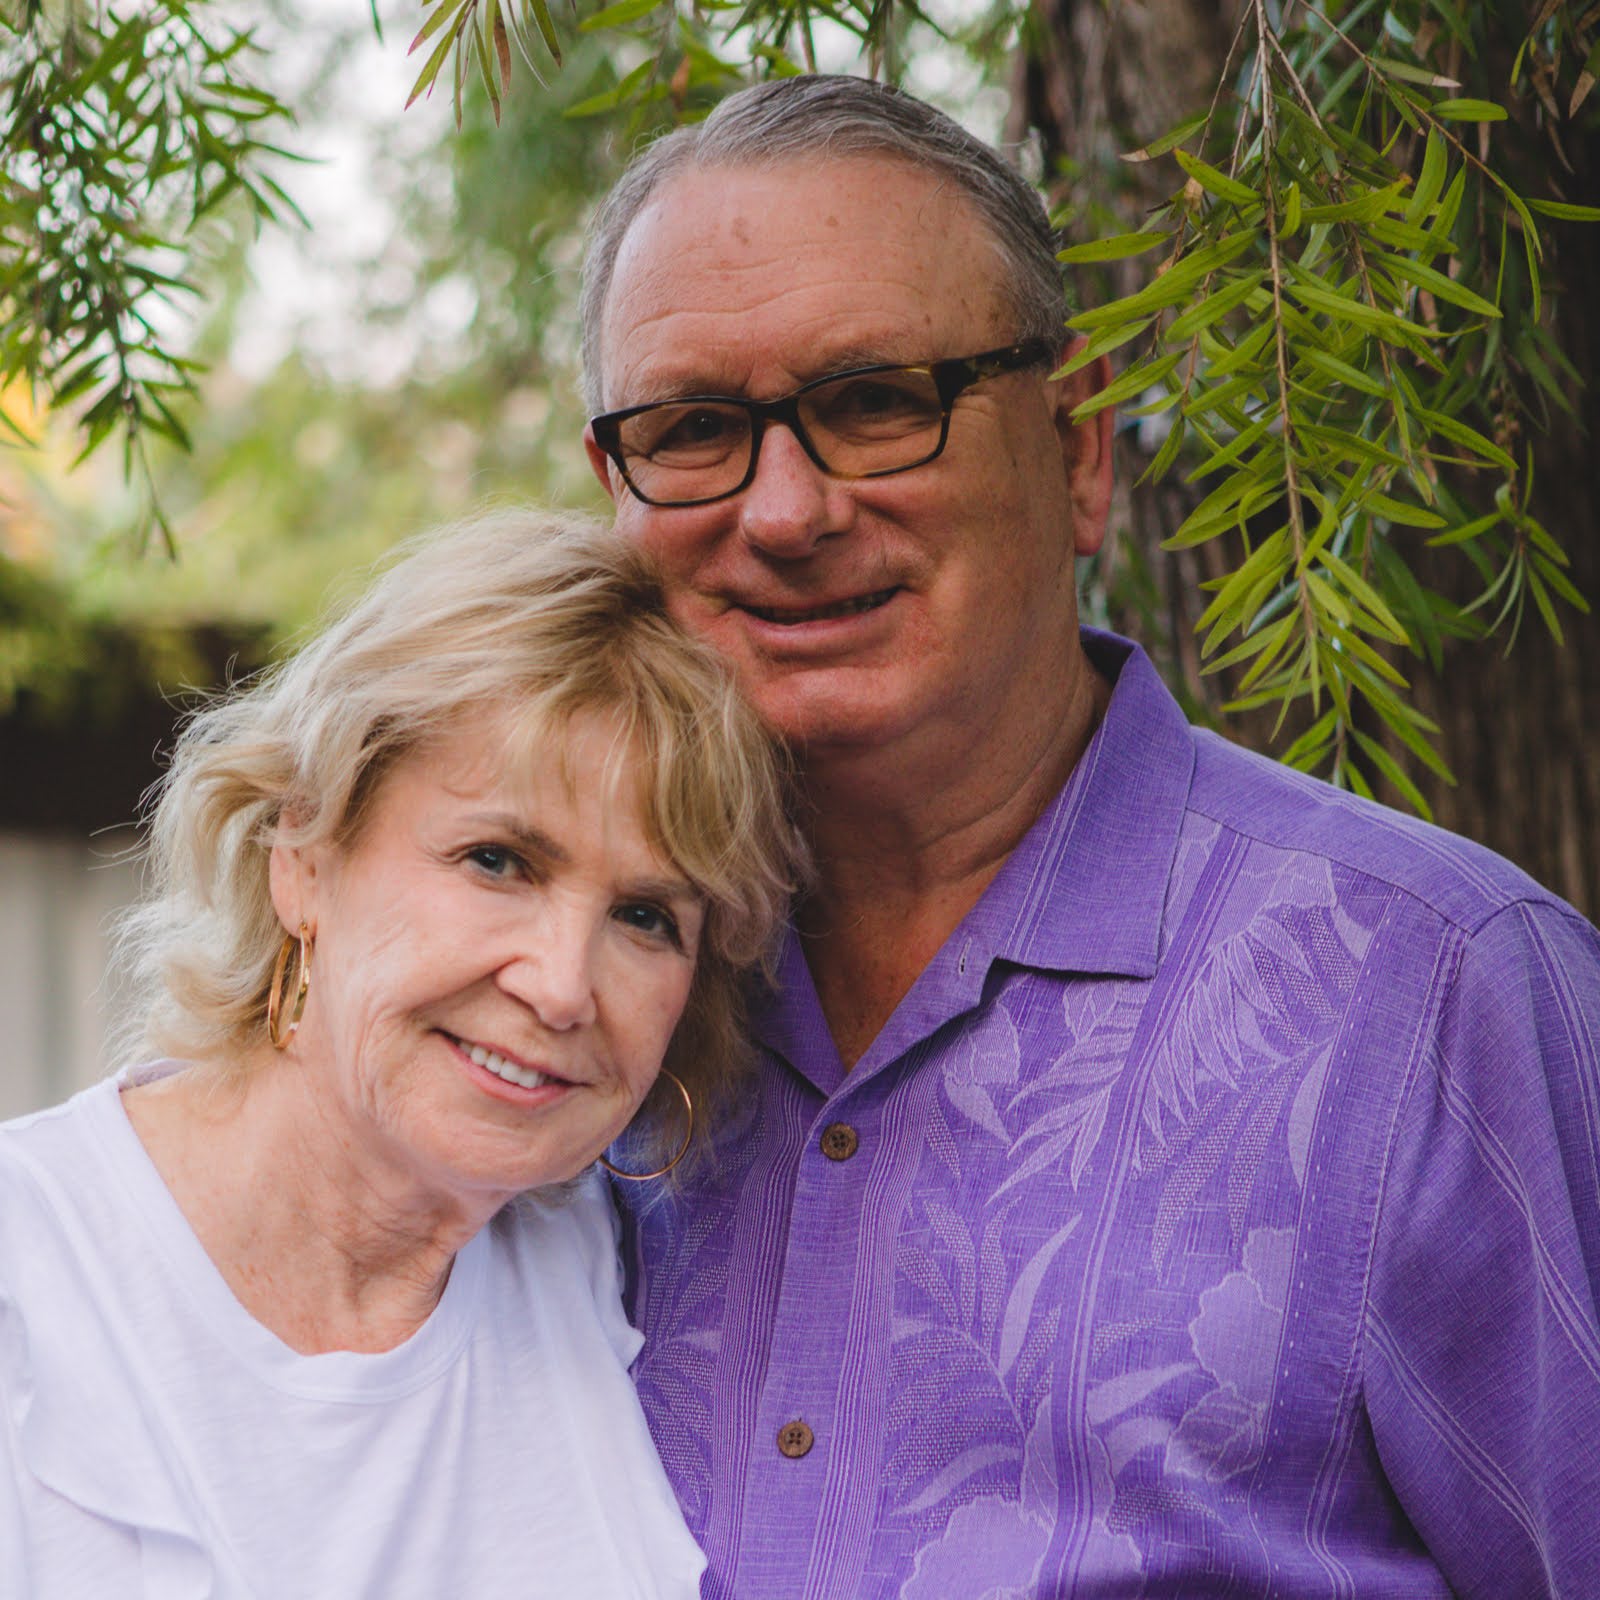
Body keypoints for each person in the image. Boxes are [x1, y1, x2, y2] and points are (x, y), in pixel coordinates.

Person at [578, 73, 1600, 1599]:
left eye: (873, 402)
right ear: (615, 492)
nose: (783, 511)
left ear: (1081, 455)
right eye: (696, 428)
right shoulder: (554, 1014)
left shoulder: (1439, 996)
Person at [0, 509, 800, 1598]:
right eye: (499, 859)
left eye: (647, 917)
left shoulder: (610, 1279)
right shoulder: (33, 1281)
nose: (563, 985)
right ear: (305, 855)